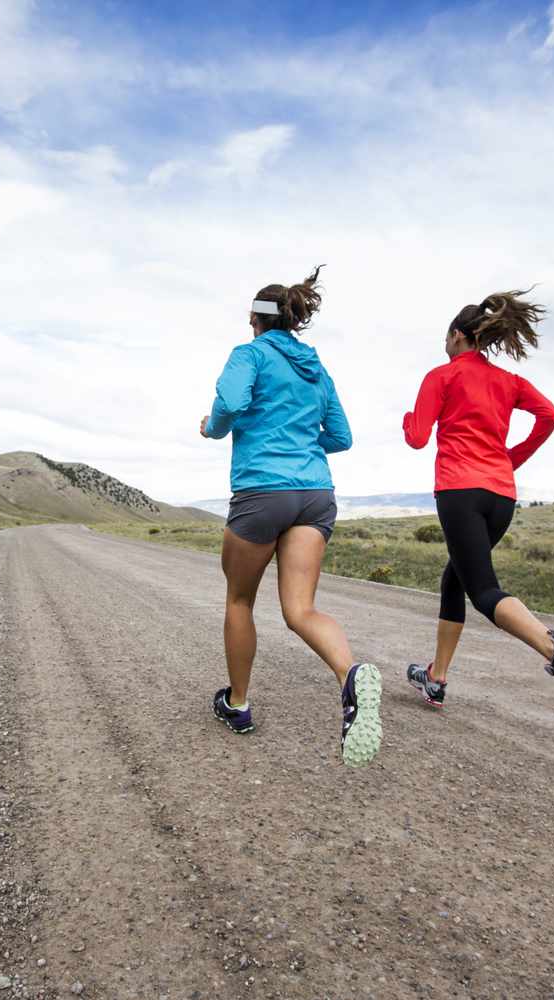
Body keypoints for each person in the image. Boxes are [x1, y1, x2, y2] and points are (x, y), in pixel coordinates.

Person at [199, 266, 382, 767]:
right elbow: (340, 437)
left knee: (239, 599)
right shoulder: (316, 370)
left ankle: (237, 705)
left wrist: (212, 428)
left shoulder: (250, 354)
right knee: (300, 610)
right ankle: (350, 675)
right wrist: (301, 441)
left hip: (263, 490)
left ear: (254, 320)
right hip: (316, 493)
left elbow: (231, 403)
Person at [401, 290, 554, 724]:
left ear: (457, 336)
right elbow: (549, 415)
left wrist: (405, 420)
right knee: (454, 579)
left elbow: (417, 437)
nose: (445, 346)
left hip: (460, 491)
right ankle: (436, 677)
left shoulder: (443, 375)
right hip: (501, 496)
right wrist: (512, 457)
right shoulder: (508, 381)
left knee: (484, 590)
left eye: (446, 338)